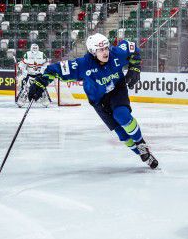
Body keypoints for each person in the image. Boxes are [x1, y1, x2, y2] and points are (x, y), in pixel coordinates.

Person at [27, 33, 158, 168]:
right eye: (101, 50)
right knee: (122, 134)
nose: (105, 52)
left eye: (106, 48)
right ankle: (144, 155)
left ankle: (141, 143)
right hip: (99, 101)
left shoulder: (116, 54)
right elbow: (54, 69)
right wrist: (40, 82)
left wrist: (135, 67)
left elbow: (132, 48)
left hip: (117, 91)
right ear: (92, 51)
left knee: (122, 115)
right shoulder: (82, 64)